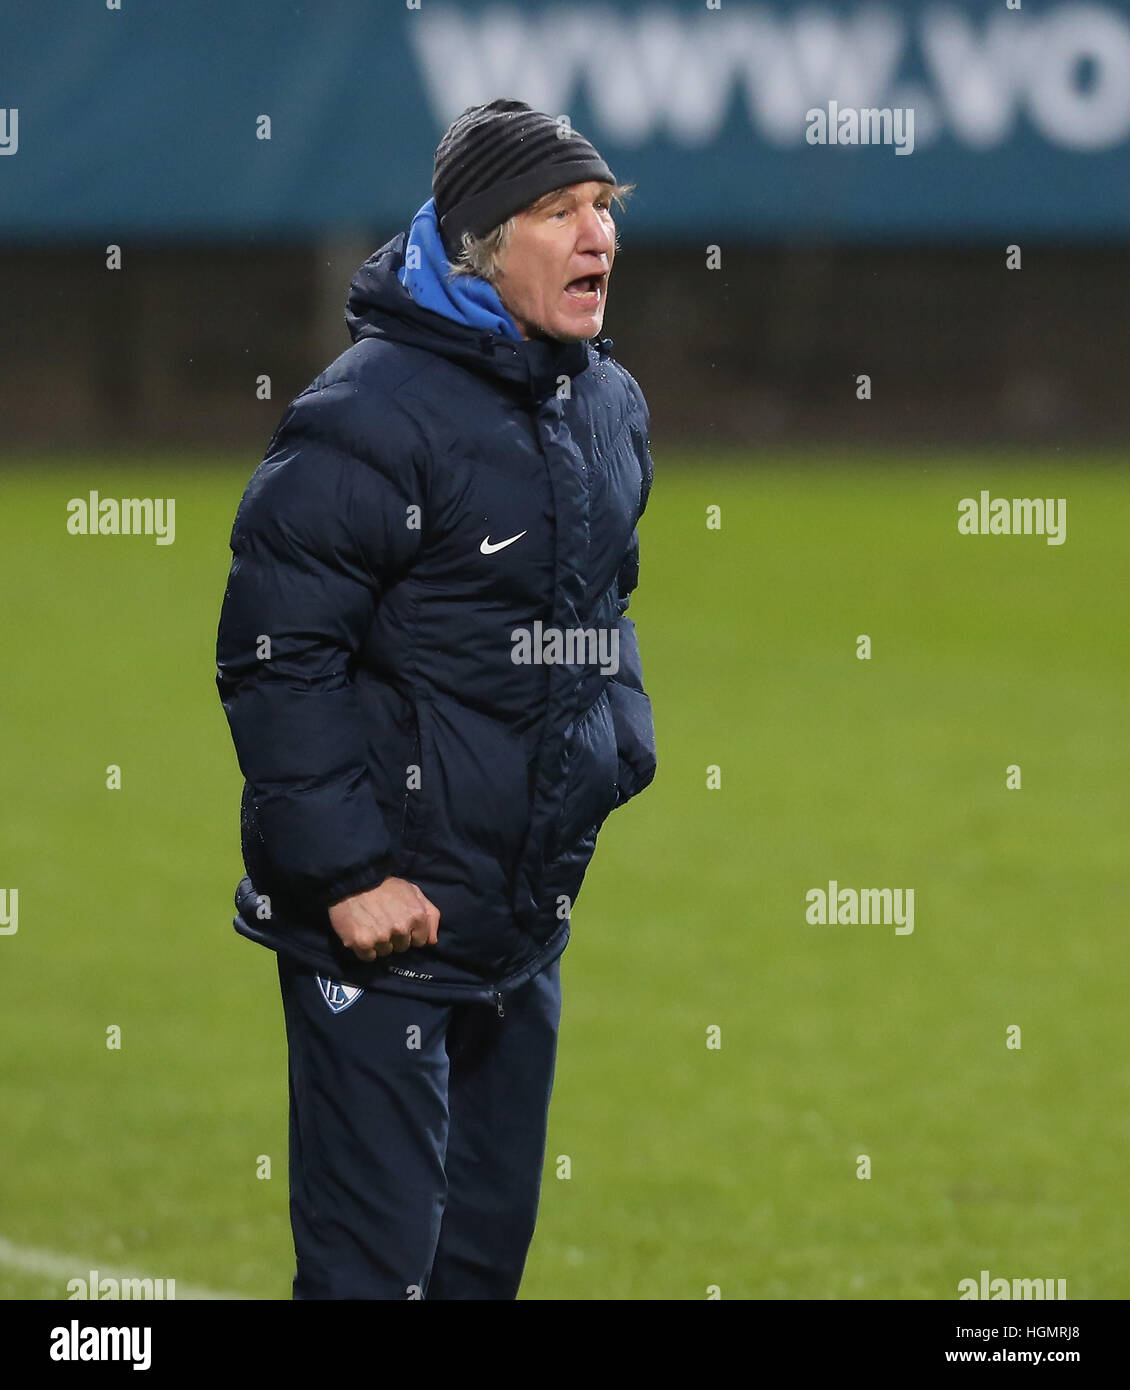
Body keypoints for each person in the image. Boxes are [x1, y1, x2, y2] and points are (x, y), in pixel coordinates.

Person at [215, 98, 656, 1300]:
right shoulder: (368, 413)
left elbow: (599, 615)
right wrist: (348, 873)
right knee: (373, 1284)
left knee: (474, 1276)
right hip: (381, 929)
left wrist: (618, 748)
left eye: (601, 212)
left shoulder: (603, 404)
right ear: (477, 242)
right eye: (555, 213)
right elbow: (275, 650)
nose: (594, 239)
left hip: (517, 925)